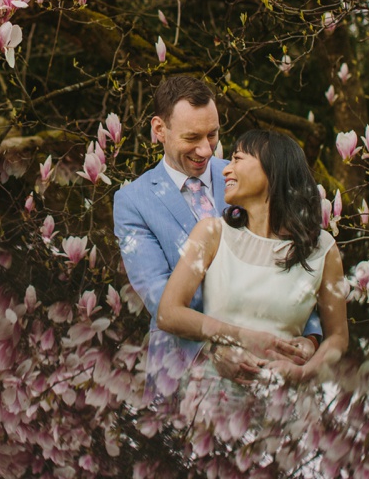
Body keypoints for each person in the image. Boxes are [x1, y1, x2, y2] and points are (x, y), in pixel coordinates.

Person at [113, 77, 321, 400]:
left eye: (213, 135)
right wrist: (217, 345)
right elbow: (160, 299)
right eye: (192, 138)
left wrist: (310, 336)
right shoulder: (132, 202)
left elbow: (292, 259)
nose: (206, 150)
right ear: (159, 130)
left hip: (272, 372)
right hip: (183, 376)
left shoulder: (246, 174)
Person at [156, 129, 348, 384]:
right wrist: (238, 337)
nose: (225, 169)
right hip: (211, 398)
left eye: (238, 159)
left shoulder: (323, 249)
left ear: (272, 169)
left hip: (283, 403)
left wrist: (303, 373)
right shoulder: (212, 233)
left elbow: (338, 337)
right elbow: (168, 313)